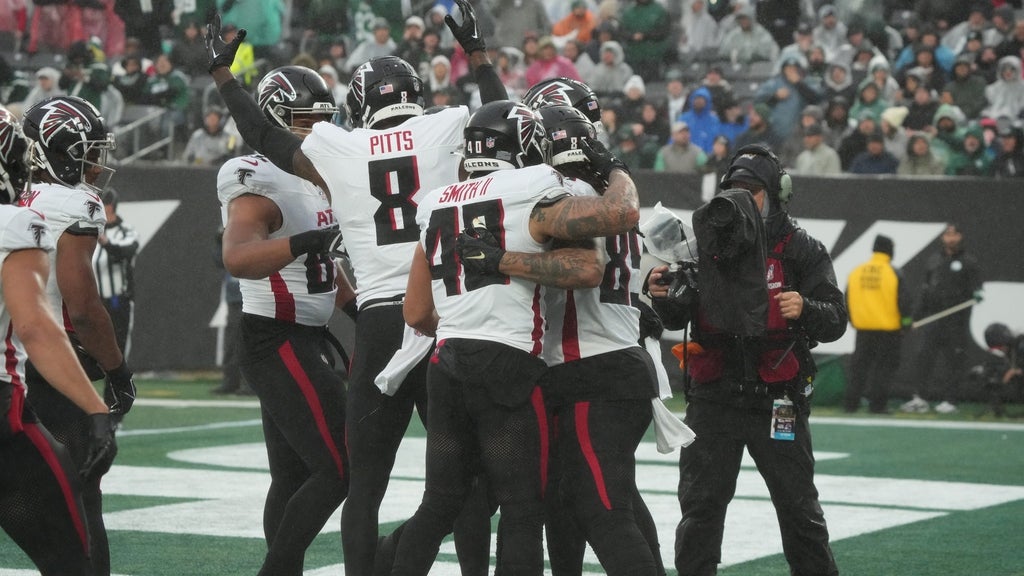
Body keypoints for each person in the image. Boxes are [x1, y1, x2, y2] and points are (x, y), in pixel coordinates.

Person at [206, 3, 503, 574]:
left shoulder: (341, 151)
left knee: (363, 485)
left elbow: (261, 132)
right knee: (462, 479)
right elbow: (503, 121)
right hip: (443, 317)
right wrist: (478, 55)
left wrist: (224, 75)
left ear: (360, 107)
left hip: (383, 322)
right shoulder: (445, 126)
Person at [394, 98, 640, 575]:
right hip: (507, 366)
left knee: (438, 503)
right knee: (523, 509)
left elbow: (417, 312)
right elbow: (617, 219)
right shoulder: (533, 185)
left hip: (445, 363)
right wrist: (616, 169)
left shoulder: (436, 202)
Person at [455, 102, 665, 574]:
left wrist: (499, 260)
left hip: (591, 370)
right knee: (568, 503)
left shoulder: (561, 194)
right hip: (600, 365)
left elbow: (586, 269)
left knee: (603, 511)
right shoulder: (608, 189)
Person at [646, 144, 845, 576]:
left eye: (751, 190)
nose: (740, 199)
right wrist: (663, 295)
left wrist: (806, 308)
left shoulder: (801, 248)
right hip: (714, 397)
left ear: (776, 194)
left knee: (799, 509)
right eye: (732, 189)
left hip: (778, 397)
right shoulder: (704, 244)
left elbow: (836, 320)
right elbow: (676, 316)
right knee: (700, 507)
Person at [216, 65, 353, 576]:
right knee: (341, 465)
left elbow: (324, 263)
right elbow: (237, 258)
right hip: (275, 338)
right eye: (304, 119)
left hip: (304, 337)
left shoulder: (316, 176)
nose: (318, 129)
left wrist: (358, 310)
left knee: (294, 474)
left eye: (323, 117)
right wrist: (303, 241)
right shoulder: (258, 176)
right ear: (274, 117)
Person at [18, 95, 135, 576]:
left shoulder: (15, 198)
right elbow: (83, 307)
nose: (96, 164)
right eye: (87, 153)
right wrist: (118, 370)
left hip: (12, 360)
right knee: (82, 492)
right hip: (56, 363)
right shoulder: (75, 204)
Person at [902, 223, 983, 414]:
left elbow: (977, 288)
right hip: (933, 319)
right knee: (924, 358)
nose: (951, 238)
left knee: (954, 361)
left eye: (954, 234)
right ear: (943, 238)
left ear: (960, 237)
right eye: (948, 234)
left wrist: (977, 293)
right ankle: (920, 398)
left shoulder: (969, 262)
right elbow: (925, 291)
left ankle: (950, 401)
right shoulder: (934, 260)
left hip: (956, 322)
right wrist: (916, 317)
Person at [844, 235, 912, 414]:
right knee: (883, 369)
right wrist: (906, 324)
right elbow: (904, 302)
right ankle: (877, 405)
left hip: (863, 329)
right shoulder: (894, 272)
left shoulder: (857, 271)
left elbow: (846, 299)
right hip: (888, 330)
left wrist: (852, 320)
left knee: (859, 368)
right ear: (890, 250)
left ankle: (851, 404)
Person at [93, 186, 139, 359]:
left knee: (118, 345)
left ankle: (117, 378)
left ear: (109, 207)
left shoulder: (126, 230)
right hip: (94, 300)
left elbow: (126, 252)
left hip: (118, 299)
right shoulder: (91, 231)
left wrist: (105, 243)